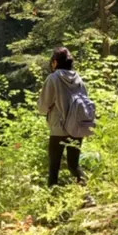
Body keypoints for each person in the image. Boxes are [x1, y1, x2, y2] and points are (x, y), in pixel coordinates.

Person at [38, 47, 89, 188]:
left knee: (54, 168)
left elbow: (43, 106)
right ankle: (87, 196)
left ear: (55, 62)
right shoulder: (78, 78)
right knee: (73, 165)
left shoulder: (53, 78)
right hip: (77, 127)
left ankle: (52, 203)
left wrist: (45, 110)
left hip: (58, 129)